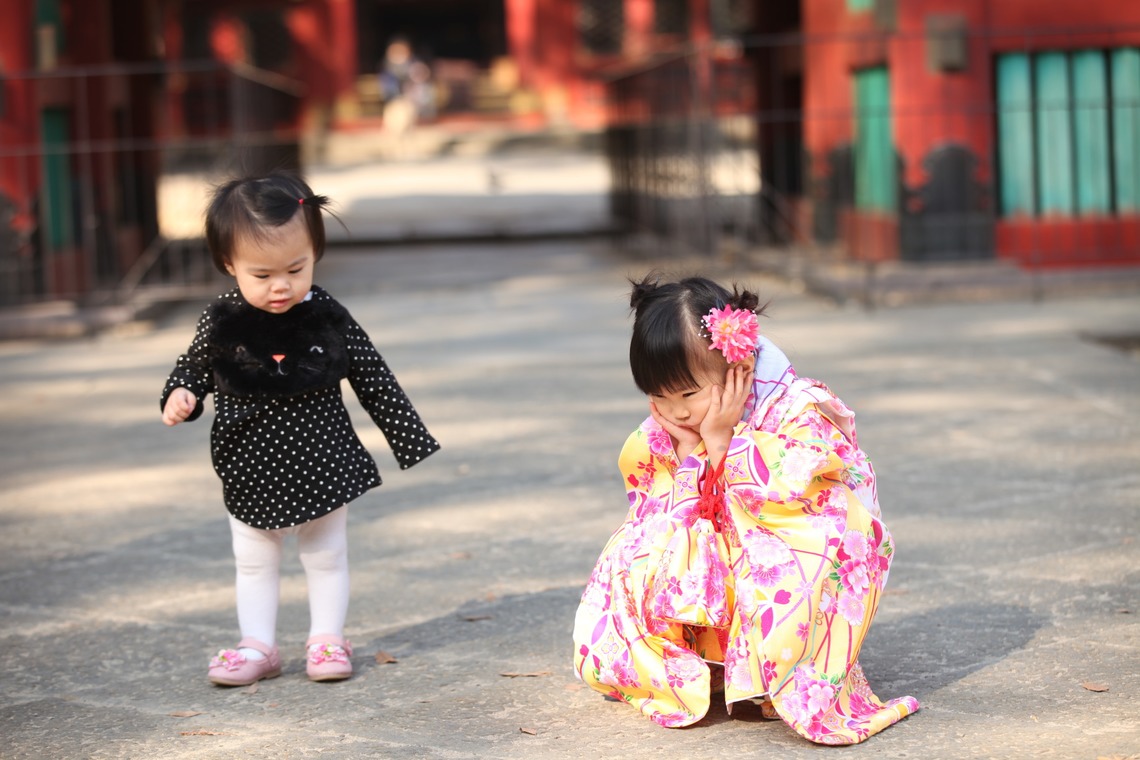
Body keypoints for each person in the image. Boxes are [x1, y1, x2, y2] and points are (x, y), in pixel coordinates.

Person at [572, 275, 918, 744]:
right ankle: (709, 663)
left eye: (688, 394)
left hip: (785, 538)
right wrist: (694, 452)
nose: (674, 412)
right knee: (636, 550)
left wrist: (721, 443)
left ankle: (776, 672)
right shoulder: (670, 426)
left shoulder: (799, 408)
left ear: (739, 364)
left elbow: (816, 505)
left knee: (806, 553)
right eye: (659, 396)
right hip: (725, 550)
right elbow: (652, 504)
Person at [161, 172, 440, 686]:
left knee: (327, 556)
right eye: (261, 274)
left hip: (322, 461)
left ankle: (327, 638)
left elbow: (372, 373)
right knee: (253, 561)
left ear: (315, 251)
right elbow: (193, 367)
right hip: (249, 464)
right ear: (229, 264)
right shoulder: (220, 319)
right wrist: (182, 395)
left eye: (296, 267)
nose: (281, 285)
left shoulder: (327, 314)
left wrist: (408, 437)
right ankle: (258, 646)